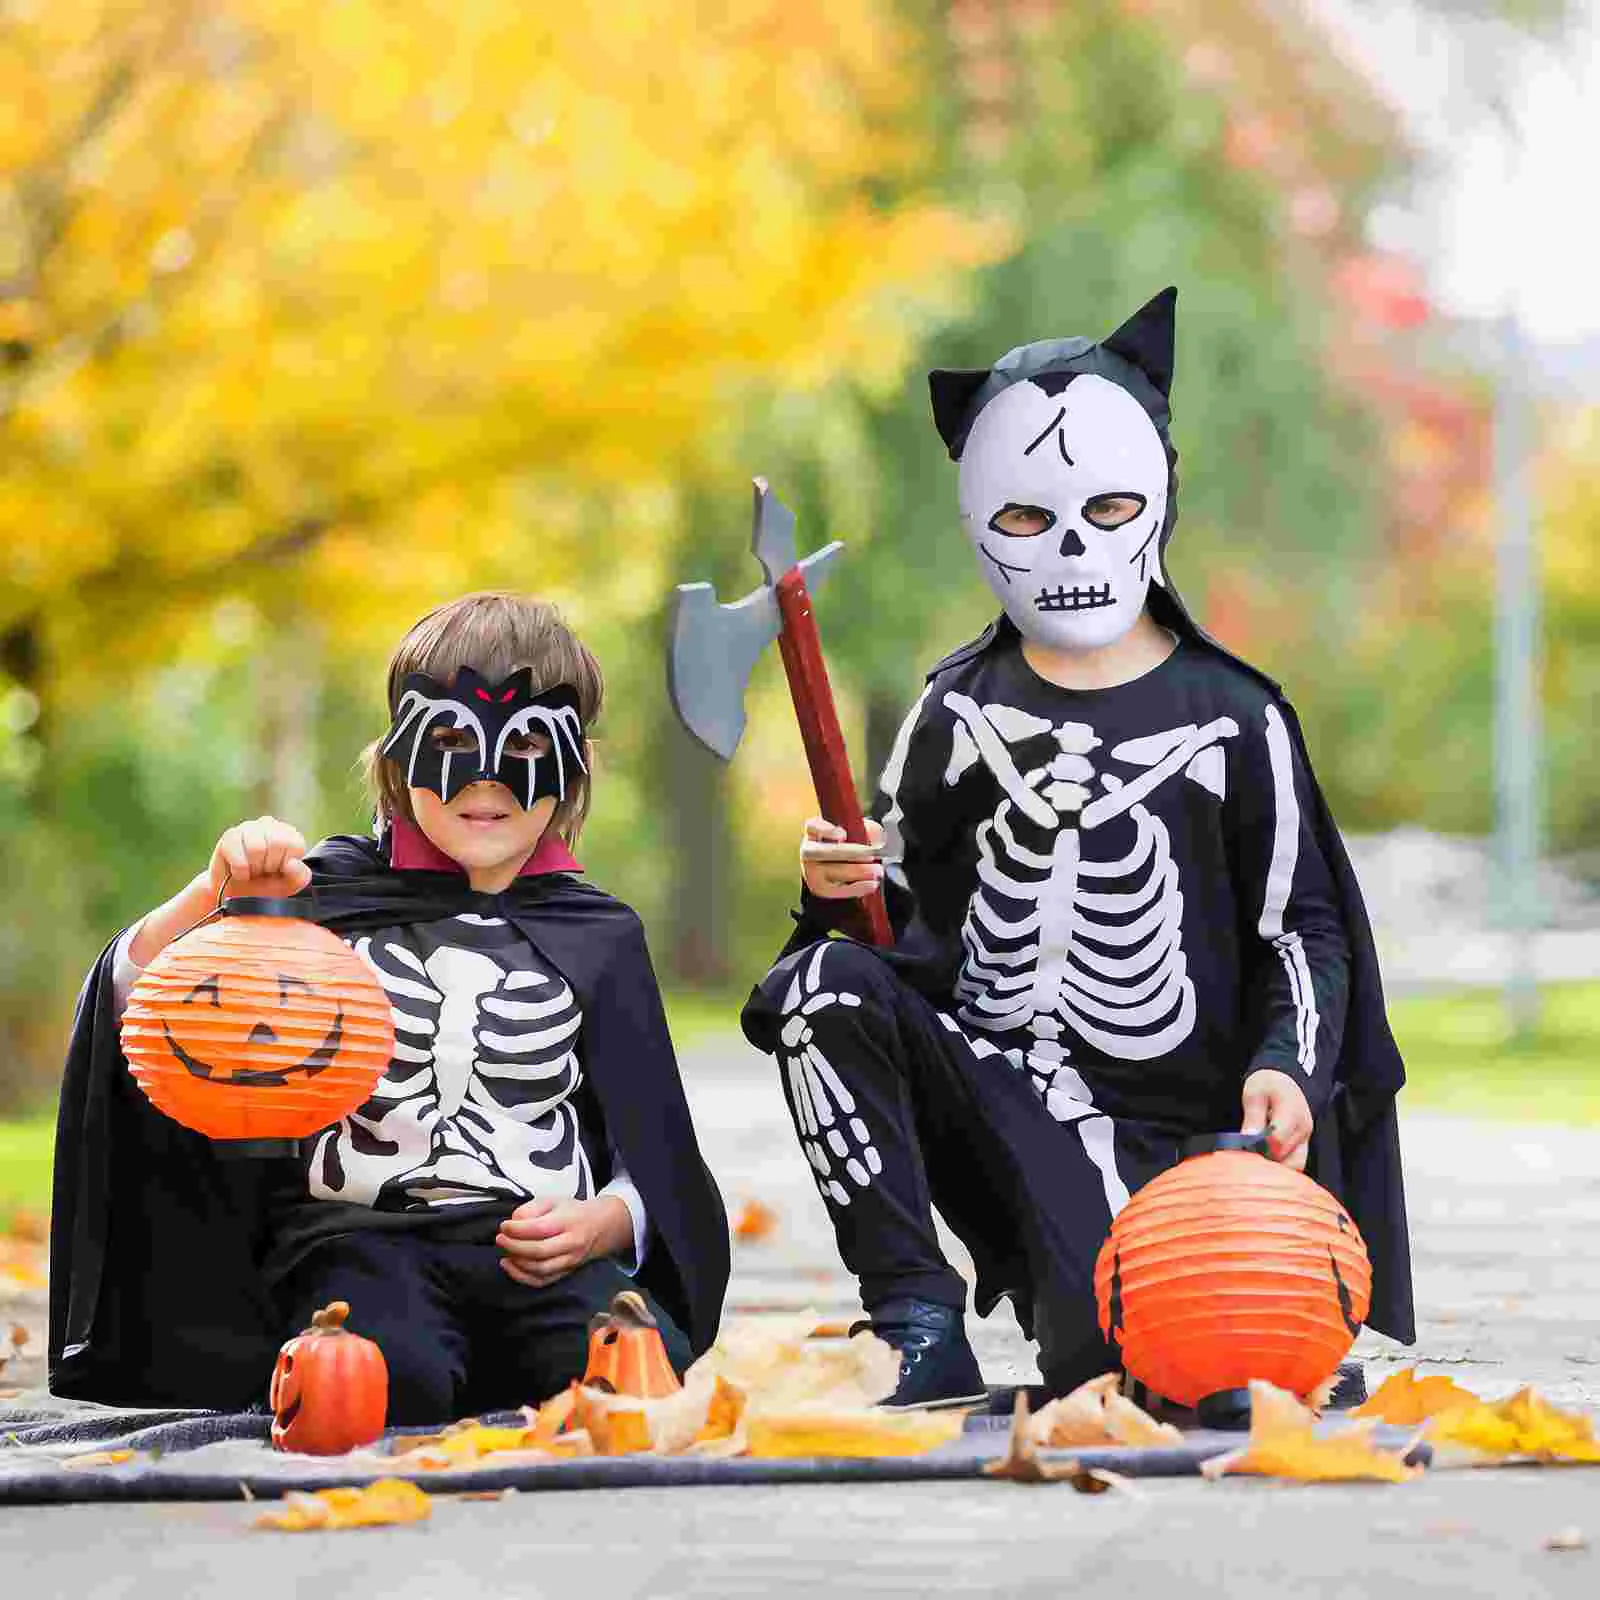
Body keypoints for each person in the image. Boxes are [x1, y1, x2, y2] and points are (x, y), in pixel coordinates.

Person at [742, 288, 1414, 1408]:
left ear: (1156, 498)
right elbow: (888, 929)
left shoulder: (1232, 715)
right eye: (1023, 518)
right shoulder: (955, 712)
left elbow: (1303, 924)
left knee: (1130, 1365)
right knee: (819, 989)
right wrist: (833, 893)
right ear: (977, 520)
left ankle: (1210, 1310)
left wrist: (1285, 1064)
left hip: (1178, 1141)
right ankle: (912, 1315)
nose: (1066, 544)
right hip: (994, 1102)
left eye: (1106, 506)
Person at [50, 593, 729, 1422]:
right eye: (447, 742)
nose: (484, 781)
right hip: (358, 1240)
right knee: (382, 1379)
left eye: (523, 747)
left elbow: (655, 1152)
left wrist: (608, 1221)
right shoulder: (321, 896)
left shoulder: (597, 933)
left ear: (573, 764)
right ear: (397, 757)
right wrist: (211, 896)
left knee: (630, 1376)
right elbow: (139, 1000)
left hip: (536, 1253)